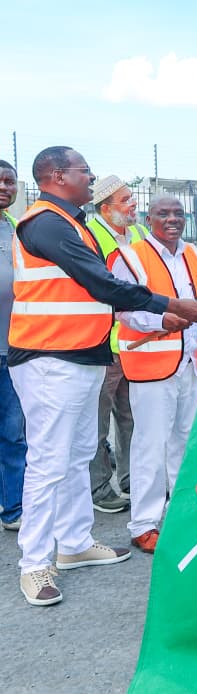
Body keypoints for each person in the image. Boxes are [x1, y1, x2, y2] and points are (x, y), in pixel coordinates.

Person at [9, 146, 197, 606]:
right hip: (49, 356)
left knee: (80, 451)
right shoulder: (44, 222)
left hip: (80, 356)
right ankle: (35, 563)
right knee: (49, 461)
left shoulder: (72, 223)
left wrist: (160, 319)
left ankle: (76, 544)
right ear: (58, 176)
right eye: (84, 171)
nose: (91, 177)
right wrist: (167, 304)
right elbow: (99, 283)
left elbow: (99, 292)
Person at [108, 195, 197, 554]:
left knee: (185, 442)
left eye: (178, 214)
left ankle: (182, 514)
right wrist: (162, 320)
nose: (172, 219)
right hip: (153, 365)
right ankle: (144, 524)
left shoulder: (193, 254)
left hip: (192, 363)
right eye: (163, 213)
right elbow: (123, 310)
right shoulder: (131, 256)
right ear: (148, 217)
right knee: (151, 445)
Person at [86, 174, 149, 514]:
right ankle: (99, 488)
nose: (133, 205)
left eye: (131, 198)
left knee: (130, 414)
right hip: (104, 341)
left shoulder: (137, 233)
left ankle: (131, 478)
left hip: (135, 340)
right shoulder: (91, 235)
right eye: (126, 200)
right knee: (98, 418)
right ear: (106, 208)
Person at [0, 160, 25, 533]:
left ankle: (14, 508)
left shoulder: (16, 229)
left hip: (13, 348)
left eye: (9, 181)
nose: (5, 187)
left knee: (14, 432)